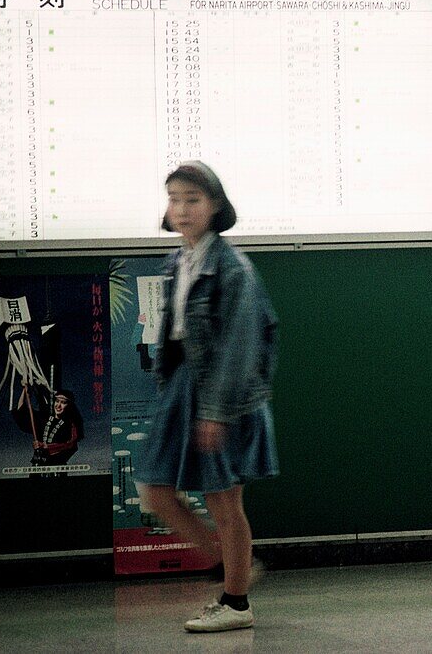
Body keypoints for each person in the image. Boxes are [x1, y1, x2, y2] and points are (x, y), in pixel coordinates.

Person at [136, 160, 279, 634]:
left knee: (224, 503)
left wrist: (215, 414)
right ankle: (231, 565)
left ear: (216, 206)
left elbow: (240, 348)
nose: (181, 209)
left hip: (224, 398)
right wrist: (169, 392)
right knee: (157, 492)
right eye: (174, 199)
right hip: (183, 391)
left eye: (192, 200)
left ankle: (236, 601)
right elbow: (174, 338)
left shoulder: (233, 268)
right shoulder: (179, 260)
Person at [31, 389, 84, 466]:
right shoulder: (46, 419)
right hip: (38, 465)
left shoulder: (71, 424)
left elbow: (71, 445)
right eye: (57, 401)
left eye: (63, 403)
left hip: (57, 466)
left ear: (69, 405)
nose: (58, 405)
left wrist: (47, 446)